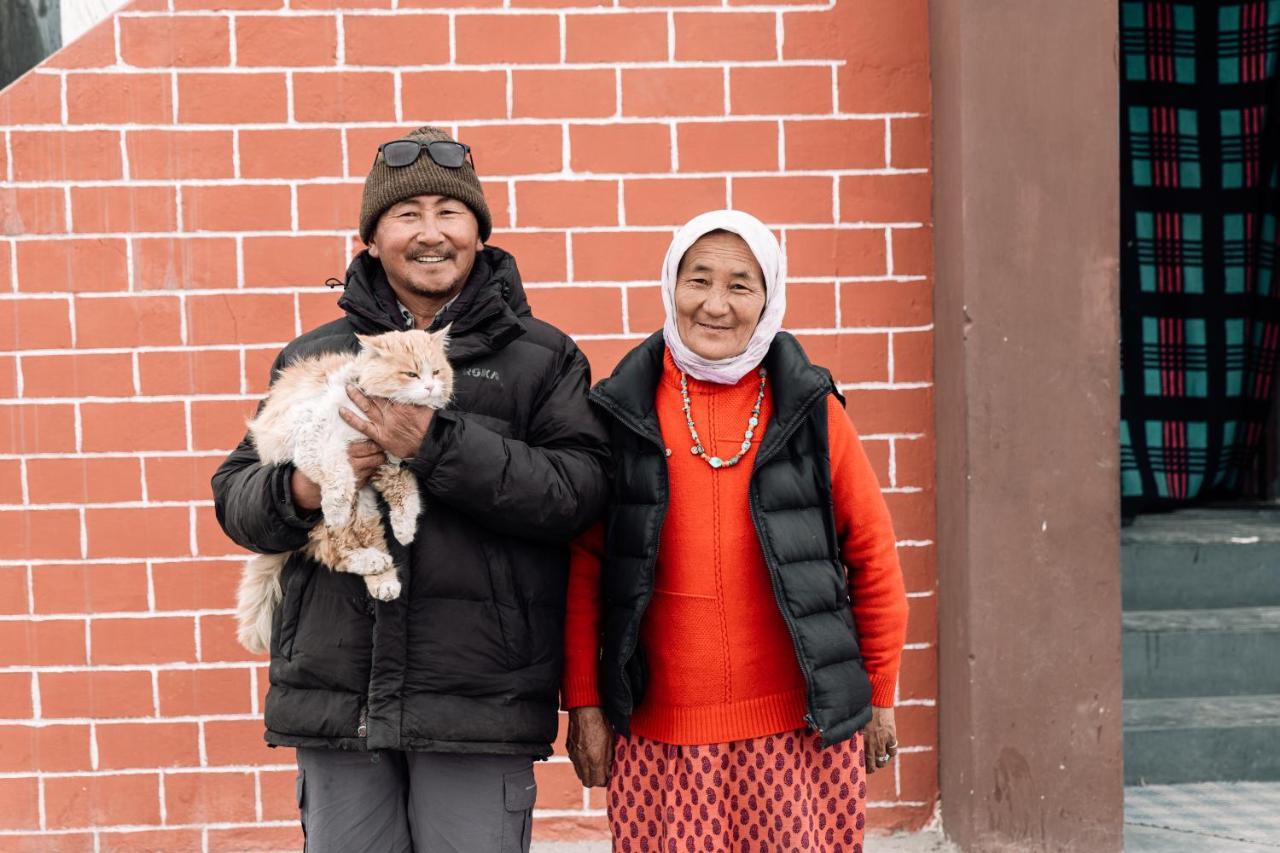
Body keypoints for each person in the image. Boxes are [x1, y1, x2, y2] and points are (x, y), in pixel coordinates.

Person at [211, 126, 610, 853]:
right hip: (340, 702)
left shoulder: (542, 359)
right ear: (372, 236)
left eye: (449, 212)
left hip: (478, 706)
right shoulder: (315, 355)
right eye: (407, 214)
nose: (431, 233)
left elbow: (578, 493)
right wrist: (301, 488)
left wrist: (436, 445)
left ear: (479, 231)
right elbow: (235, 496)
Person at [562, 210, 909, 852]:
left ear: (769, 296)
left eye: (740, 285)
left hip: (795, 732)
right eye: (698, 280)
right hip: (659, 734)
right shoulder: (619, 412)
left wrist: (879, 694)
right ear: (671, 286)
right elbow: (586, 569)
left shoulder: (813, 414)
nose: (715, 305)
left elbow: (874, 558)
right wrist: (585, 702)